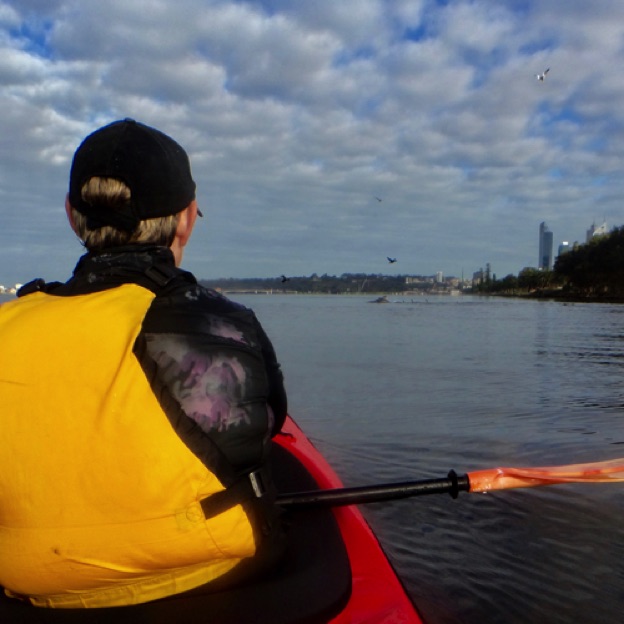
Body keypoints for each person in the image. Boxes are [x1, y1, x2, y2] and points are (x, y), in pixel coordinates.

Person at [0, 119, 288, 608]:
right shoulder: (224, 321)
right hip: (214, 575)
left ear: (72, 216)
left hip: (35, 587)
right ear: (187, 218)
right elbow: (271, 424)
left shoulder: (8, 322)